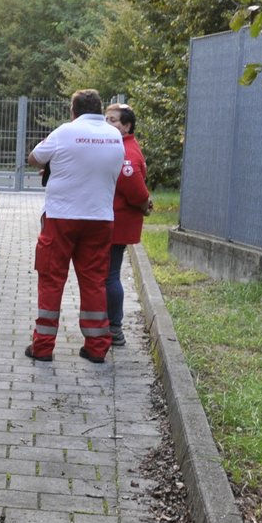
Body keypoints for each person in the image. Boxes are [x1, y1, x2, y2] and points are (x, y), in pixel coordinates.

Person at [25, 88, 124, 363]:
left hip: (61, 218)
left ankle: (43, 347)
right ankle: (96, 347)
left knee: (52, 279)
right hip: (100, 218)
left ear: (73, 110)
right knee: (94, 281)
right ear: (99, 110)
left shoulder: (64, 132)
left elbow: (35, 158)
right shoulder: (114, 135)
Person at [106, 103, 153, 347]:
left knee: (110, 276)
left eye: (114, 120)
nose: (108, 124)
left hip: (117, 223)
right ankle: (109, 325)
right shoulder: (121, 146)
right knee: (108, 274)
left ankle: (114, 328)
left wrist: (145, 203)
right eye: (106, 119)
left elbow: (132, 184)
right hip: (116, 221)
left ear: (127, 126)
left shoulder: (125, 152)